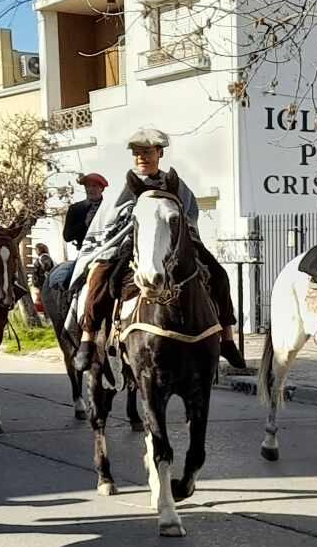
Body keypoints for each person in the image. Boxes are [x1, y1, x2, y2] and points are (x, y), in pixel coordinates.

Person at [67, 128, 244, 374]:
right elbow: (108, 220)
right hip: (127, 243)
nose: (142, 157)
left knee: (219, 274)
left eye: (147, 152)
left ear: (159, 153)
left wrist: (178, 229)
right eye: (137, 153)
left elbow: (190, 213)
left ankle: (226, 337)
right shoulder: (126, 184)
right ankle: (88, 337)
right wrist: (132, 223)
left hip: (171, 243)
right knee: (99, 276)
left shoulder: (176, 184)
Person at [42, 173, 108, 302]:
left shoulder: (110, 208)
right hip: (86, 252)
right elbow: (67, 236)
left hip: (108, 250)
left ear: (101, 188)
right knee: (70, 279)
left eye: (94, 186)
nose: (91, 189)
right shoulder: (76, 209)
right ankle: (67, 304)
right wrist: (84, 223)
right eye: (88, 186)